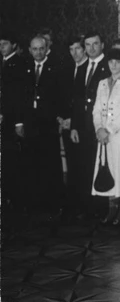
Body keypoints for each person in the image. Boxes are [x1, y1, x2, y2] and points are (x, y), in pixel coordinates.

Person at [19, 35, 64, 217]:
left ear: (47, 49)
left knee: (51, 163)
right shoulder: (24, 69)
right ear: (30, 50)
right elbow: (20, 98)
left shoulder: (56, 69)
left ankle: (53, 204)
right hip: (30, 123)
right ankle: (33, 203)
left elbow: (60, 97)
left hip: (48, 123)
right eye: (35, 49)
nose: (38, 52)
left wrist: (59, 118)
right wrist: (20, 122)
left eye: (41, 48)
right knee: (31, 162)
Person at [91, 48, 120, 225]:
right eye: (111, 62)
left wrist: (109, 129)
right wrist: (99, 129)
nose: (114, 65)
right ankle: (111, 209)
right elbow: (96, 110)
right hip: (104, 135)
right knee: (108, 167)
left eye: (117, 61)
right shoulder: (102, 83)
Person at [70, 30, 110, 218]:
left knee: (101, 165)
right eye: (88, 45)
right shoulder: (82, 65)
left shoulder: (109, 65)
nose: (91, 48)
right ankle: (87, 208)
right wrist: (75, 126)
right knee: (85, 167)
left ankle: (101, 209)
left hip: (102, 126)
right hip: (83, 126)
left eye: (95, 44)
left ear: (102, 45)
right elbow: (77, 100)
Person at [58, 35, 89, 221]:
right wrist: (61, 118)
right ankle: (72, 204)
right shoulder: (68, 68)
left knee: (83, 166)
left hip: (82, 126)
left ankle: (84, 206)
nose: (74, 53)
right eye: (71, 49)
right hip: (67, 124)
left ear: (84, 49)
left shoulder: (89, 68)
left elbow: (83, 102)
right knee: (71, 166)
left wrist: (74, 122)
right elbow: (62, 96)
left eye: (77, 48)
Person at [1, 31, 27, 211]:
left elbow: (18, 96)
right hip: (2, 117)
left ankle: (15, 198)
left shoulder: (18, 64)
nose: (1, 47)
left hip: (11, 119)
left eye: (5, 43)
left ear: (14, 45)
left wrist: (18, 122)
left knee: (12, 159)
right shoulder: (2, 63)